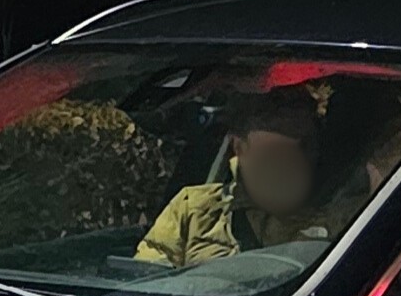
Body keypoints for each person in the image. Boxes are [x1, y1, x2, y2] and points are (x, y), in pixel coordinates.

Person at [137, 85, 335, 265]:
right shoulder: (193, 209)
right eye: (275, 153)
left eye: (305, 149)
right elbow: (145, 282)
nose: (290, 166)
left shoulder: (338, 221)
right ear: (240, 148)